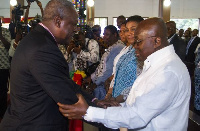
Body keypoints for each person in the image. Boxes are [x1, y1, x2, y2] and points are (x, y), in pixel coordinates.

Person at [58, 17, 191, 130]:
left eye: (139, 41)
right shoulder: (156, 64)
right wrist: (115, 106)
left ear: (156, 41)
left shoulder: (168, 72)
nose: (135, 46)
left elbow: (138, 116)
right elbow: (141, 103)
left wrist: (88, 112)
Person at [0, 0, 96, 130]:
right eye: (73, 24)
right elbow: (65, 95)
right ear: (57, 21)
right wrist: (108, 115)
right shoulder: (42, 47)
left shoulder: (38, 40)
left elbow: (65, 82)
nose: (75, 29)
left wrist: (96, 101)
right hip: (33, 124)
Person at [105, 15, 144, 103]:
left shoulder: (143, 53)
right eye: (127, 30)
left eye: (133, 29)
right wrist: (109, 95)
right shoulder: (128, 50)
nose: (129, 33)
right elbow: (117, 74)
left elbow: (138, 83)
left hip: (130, 101)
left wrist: (116, 99)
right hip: (116, 100)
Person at [83, 25, 125, 100]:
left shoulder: (118, 48)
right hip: (100, 82)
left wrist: (95, 84)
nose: (104, 37)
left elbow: (108, 70)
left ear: (114, 35)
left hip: (104, 85)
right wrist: (91, 77)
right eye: (104, 34)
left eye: (107, 34)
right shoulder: (112, 46)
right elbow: (102, 66)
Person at [0, 18, 12, 123]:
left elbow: (8, 46)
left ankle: (3, 113)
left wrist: (0, 35)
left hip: (3, 66)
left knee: (3, 91)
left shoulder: (5, 31)